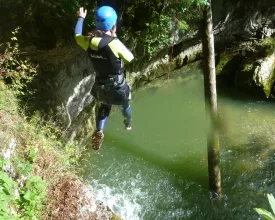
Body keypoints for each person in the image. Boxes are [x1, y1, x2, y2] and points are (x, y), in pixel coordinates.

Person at [74, 6, 134, 150]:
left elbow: (76, 35)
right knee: (124, 106)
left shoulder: (88, 41)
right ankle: (128, 123)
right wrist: (115, 39)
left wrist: (81, 17)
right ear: (113, 24)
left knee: (104, 105)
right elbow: (130, 58)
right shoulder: (114, 43)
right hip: (118, 87)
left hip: (100, 87)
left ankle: (100, 129)